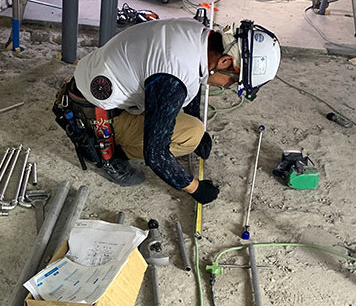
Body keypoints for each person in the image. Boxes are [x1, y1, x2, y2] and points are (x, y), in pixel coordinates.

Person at [53, 18, 281, 204]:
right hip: (94, 113)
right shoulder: (172, 75)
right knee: (190, 134)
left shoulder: (198, 35)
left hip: (93, 81)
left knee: (193, 128)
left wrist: (195, 121)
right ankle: (107, 155)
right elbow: (156, 154)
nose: (228, 86)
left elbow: (194, 79)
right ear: (225, 62)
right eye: (232, 81)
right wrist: (196, 188)